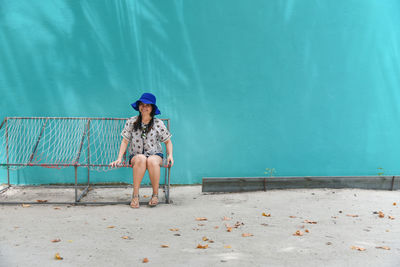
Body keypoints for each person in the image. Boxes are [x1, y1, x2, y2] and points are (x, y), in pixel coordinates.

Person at [110, 93, 173, 208]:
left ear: (152, 108)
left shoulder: (158, 123)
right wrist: (119, 158)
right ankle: (135, 195)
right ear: (138, 106)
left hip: (155, 154)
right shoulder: (132, 122)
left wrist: (170, 155)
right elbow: (125, 141)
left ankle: (155, 194)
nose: (144, 107)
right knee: (141, 158)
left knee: (152, 161)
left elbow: (168, 141)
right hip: (136, 155)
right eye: (142, 104)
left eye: (147, 105)